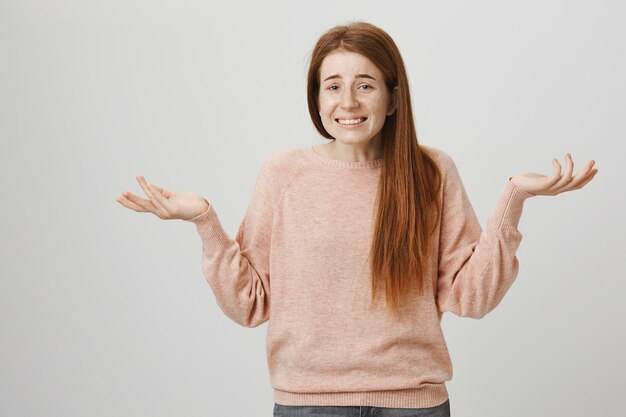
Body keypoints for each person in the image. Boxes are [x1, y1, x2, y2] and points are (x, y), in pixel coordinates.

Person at [116, 21, 598, 417]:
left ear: (392, 99)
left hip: (414, 405)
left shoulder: (431, 172)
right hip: (307, 404)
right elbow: (249, 305)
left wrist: (513, 198)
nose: (347, 102)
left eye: (364, 85)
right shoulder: (283, 173)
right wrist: (204, 219)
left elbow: (471, 298)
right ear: (317, 98)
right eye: (333, 86)